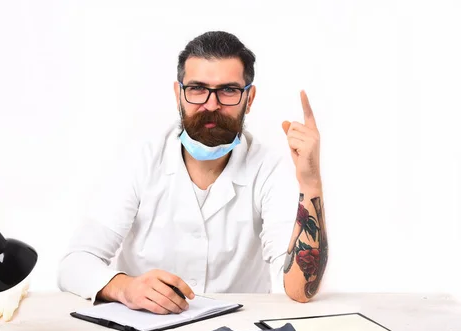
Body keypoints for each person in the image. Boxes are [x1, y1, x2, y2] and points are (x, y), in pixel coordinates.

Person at [57, 31, 328, 314]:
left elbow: (299, 290)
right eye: (197, 88)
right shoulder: (142, 160)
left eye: (228, 90)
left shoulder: (268, 167)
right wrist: (124, 287)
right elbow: (74, 263)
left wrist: (311, 184)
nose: (212, 105)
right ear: (178, 94)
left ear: (249, 98)